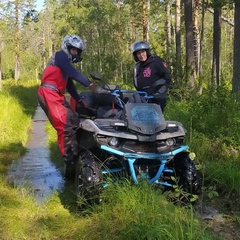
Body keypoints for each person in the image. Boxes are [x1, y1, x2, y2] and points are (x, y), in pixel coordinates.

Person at [37, 34, 94, 179]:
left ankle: (78, 153)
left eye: (77, 51)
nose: (75, 53)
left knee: (75, 121)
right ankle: (70, 166)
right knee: (65, 127)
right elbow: (73, 73)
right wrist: (89, 84)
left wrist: (78, 100)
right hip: (49, 93)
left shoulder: (65, 65)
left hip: (56, 95)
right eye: (73, 49)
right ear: (66, 47)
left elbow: (69, 84)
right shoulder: (60, 56)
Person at [131, 41, 171, 112]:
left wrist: (160, 93)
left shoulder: (157, 61)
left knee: (155, 121)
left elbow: (167, 77)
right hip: (142, 99)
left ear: (147, 52)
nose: (141, 55)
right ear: (136, 55)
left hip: (156, 99)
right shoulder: (137, 68)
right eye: (138, 53)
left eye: (143, 52)